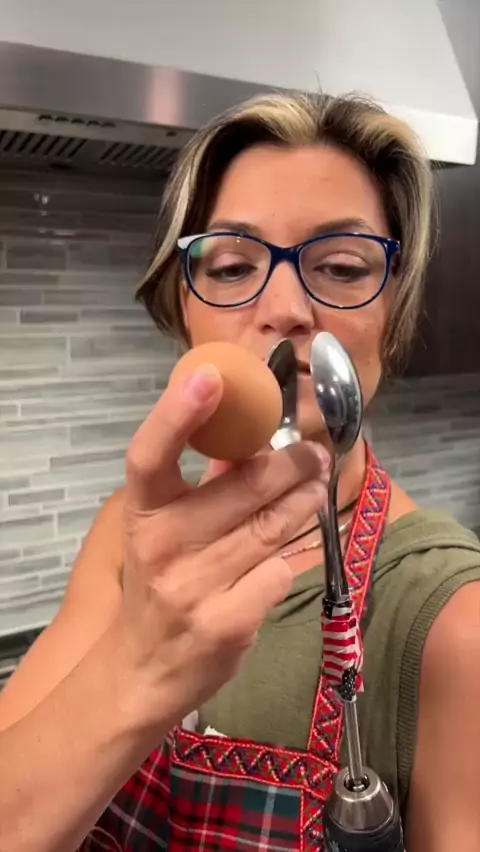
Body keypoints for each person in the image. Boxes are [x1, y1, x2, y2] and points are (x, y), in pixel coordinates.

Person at [0, 91, 479, 852]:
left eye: (342, 265)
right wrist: (138, 669)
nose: (285, 306)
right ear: (185, 305)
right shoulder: (130, 540)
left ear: (394, 313)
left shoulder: (451, 617)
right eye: (230, 265)